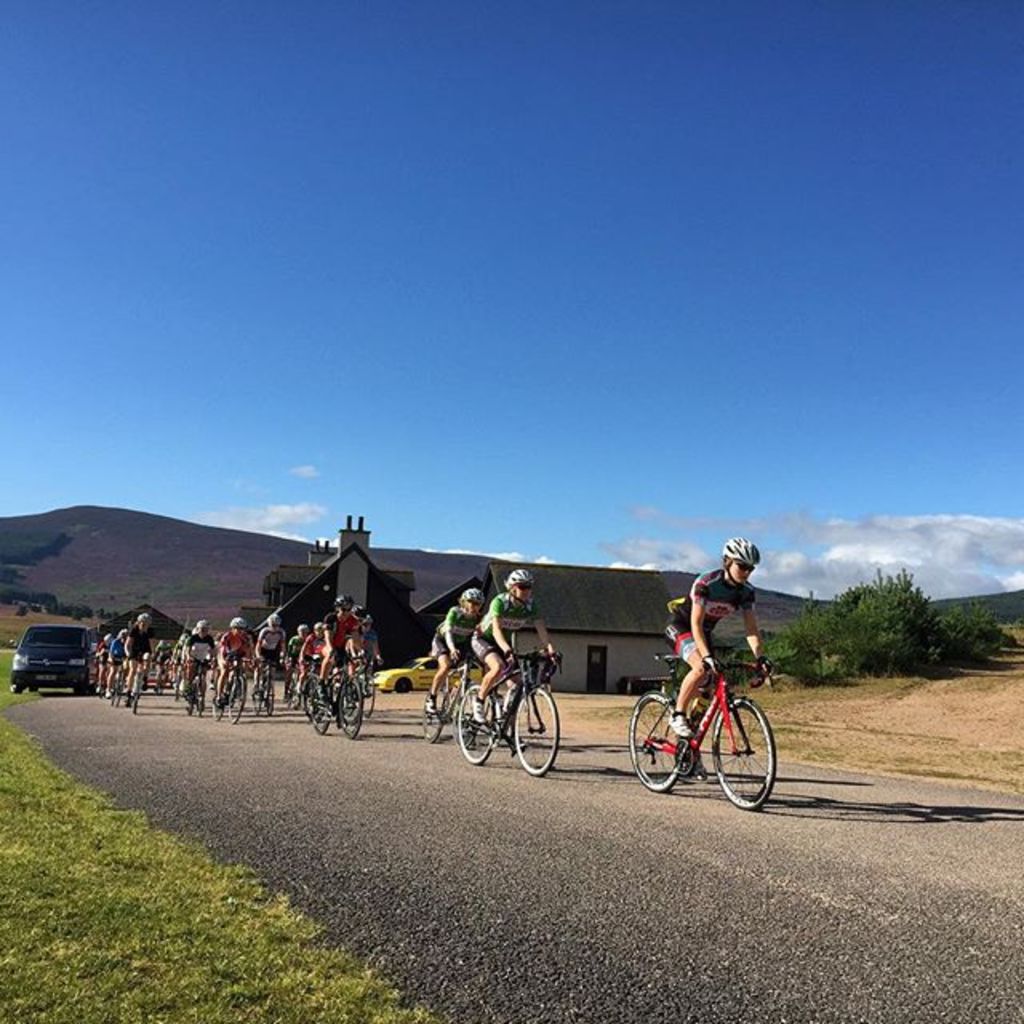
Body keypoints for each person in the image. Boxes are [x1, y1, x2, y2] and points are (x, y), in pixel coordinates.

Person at [664, 537, 773, 738]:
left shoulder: (746, 592)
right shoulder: (706, 583)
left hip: (704, 633)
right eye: (742, 566)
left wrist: (760, 657)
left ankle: (688, 741)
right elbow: (696, 624)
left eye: (751, 568)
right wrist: (706, 657)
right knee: (701, 668)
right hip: (682, 626)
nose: (747, 572)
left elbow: (751, 629)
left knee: (711, 685)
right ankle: (678, 714)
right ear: (727, 562)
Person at [471, 569, 556, 725]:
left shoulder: (530, 605)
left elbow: (541, 629)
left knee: (518, 683)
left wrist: (550, 648)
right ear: (511, 588)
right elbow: (496, 630)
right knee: (497, 667)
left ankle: (506, 718)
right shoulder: (500, 602)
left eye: (529, 587)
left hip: (504, 643)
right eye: (522, 587)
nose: (527, 591)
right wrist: (506, 649)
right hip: (484, 639)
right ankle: (479, 702)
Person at [426, 588, 485, 716]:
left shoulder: (478, 618)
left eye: (478, 604)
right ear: (464, 602)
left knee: (466, 672)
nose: (474, 606)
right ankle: (432, 698)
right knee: (445, 666)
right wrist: (452, 649)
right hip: (443, 640)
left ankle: (455, 693)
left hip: (461, 643)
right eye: (471, 602)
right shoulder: (455, 612)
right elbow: (448, 632)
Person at [321, 595, 361, 684]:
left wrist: (361, 650)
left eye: (349, 610)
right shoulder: (331, 618)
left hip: (341, 646)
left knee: (350, 662)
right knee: (330, 656)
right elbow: (327, 636)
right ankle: (322, 683)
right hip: (327, 644)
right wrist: (330, 649)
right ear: (337, 608)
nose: (346, 613)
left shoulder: (353, 620)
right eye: (343, 609)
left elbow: (355, 638)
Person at [215, 617, 253, 707]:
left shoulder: (246, 637)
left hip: (238, 654)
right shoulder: (227, 636)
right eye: (238, 629)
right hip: (225, 654)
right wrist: (223, 660)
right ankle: (219, 696)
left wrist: (249, 659)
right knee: (224, 671)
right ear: (232, 628)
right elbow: (222, 650)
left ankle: (234, 687)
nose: (240, 631)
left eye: (242, 629)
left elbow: (248, 650)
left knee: (237, 670)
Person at [125, 613, 153, 708]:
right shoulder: (134, 630)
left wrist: (152, 654)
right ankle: (129, 692)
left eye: (146, 624)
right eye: (142, 623)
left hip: (145, 649)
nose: (144, 625)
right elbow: (127, 644)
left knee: (148, 657)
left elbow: (151, 645)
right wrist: (128, 653)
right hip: (134, 650)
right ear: (139, 622)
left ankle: (145, 678)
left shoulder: (150, 631)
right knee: (133, 670)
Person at [185, 620, 216, 701]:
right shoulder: (193, 638)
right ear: (198, 629)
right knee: (191, 669)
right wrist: (189, 657)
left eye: (205, 629)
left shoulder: (209, 639)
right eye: (201, 629)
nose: (203, 631)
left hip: (204, 658)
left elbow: (213, 650)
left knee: (203, 675)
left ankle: (202, 694)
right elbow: (188, 650)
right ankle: (189, 686)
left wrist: (213, 658)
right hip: (194, 656)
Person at [255, 613, 287, 693]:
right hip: (263, 650)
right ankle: (256, 684)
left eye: (276, 625)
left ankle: (269, 686)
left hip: (273, 651)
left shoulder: (281, 632)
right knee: (259, 667)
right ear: (269, 624)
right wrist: (258, 655)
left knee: (272, 670)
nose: (275, 627)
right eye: (273, 625)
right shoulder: (264, 631)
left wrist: (282, 656)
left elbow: (283, 646)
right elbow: (258, 645)